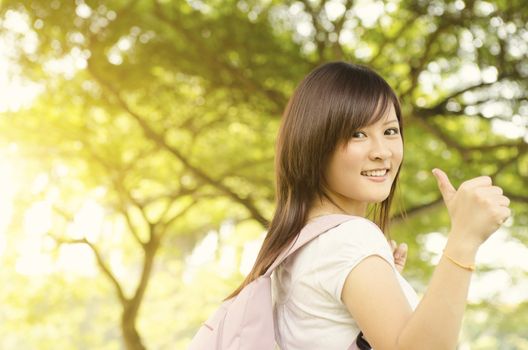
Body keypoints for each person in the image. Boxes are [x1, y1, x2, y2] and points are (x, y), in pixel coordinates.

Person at [226, 61, 511, 349]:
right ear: (314, 143)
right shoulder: (348, 239)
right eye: (357, 134)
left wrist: (380, 281)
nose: (382, 151)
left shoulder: (297, 241)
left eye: (390, 131)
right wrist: (464, 238)